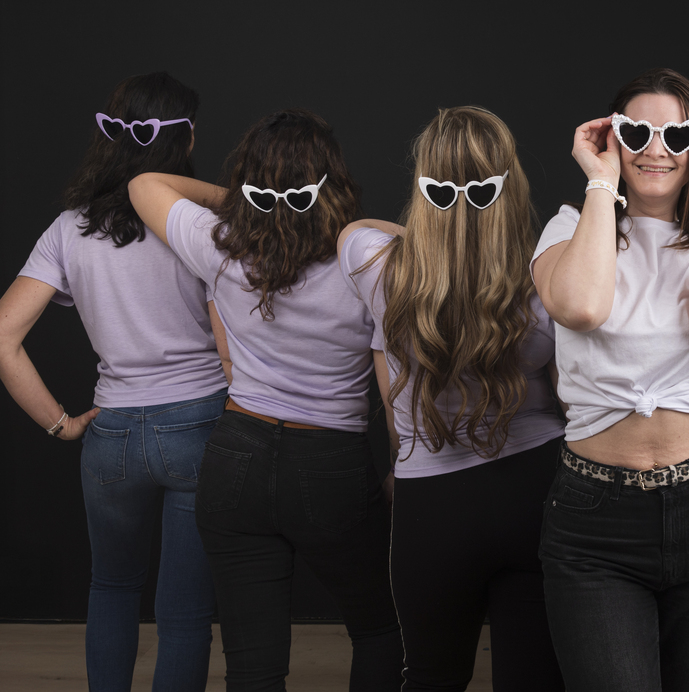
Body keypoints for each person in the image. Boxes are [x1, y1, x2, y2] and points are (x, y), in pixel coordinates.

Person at [128, 109, 402, 691]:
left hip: (236, 459)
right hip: (330, 464)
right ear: (334, 184)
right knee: (382, 629)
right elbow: (425, 245)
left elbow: (144, 184)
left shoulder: (220, 246)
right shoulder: (367, 261)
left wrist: (248, 202)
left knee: (253, 665)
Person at [531, 67, 689, 692]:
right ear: (613, 137)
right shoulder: (567, 228)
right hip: (595, 518)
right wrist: (601, 182)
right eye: (637, 132)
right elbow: (581, 306)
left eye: (677, 134)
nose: (656, 149)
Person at [0, 72, 225, 692]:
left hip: (112, 435)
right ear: (185, 138)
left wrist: (60, 423)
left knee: (112, 588)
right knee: (185, 611)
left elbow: (3, 336)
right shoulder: (202, 223)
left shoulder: (67, 229)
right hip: (200, 426)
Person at [337, 106, 565, 691]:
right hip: (536, 491)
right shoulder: (544, 282)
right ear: (512, 188)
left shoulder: (375, 264)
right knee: (535, 680)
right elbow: (569, 396)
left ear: (422, 189)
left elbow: (353, 229)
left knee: (431, 677)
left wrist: (438, 244)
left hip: (432, 504)